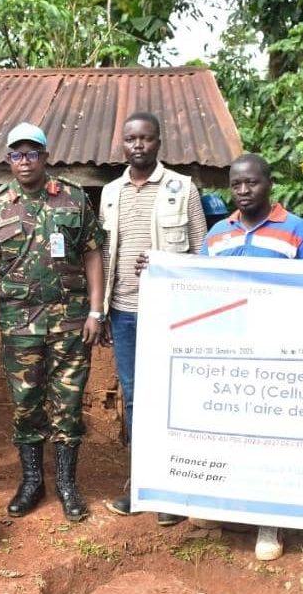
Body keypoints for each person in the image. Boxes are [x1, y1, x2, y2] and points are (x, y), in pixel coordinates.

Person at [0, 122, 105, 522]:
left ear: (46, 157)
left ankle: (67, 484)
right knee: (25, 405)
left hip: (71, 322)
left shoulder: (73, 198)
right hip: (20, 326)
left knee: (67, 406)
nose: (25, 161)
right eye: (17, 154)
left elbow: (93, 254)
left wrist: (97, 311)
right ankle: (33, 481)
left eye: (32, 153)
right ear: (8, 160)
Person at [200, 153, 303, 561]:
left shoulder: (297, 230)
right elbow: (197, 287)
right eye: (236, 184)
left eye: (252, 182)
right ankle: (222, 505)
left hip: (277, 354)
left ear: (270, 184)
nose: (244, 190)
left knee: (271, 437)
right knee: (227, 429)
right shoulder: (217, 234)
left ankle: (270, 520)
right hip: (227, 353)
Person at [99, 112, 207, 526]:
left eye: (146, 138)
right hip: (124, 312)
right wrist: (103, 310)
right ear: (122, 144)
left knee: (171, 398)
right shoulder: (111, 192)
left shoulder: (182, 188)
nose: (138, 145)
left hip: (171, 313)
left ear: (159, 142)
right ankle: (143, 484)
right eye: (131, 139)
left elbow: (201, 254)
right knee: (134, 398)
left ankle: (174, 490)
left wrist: (165, 264)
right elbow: (105, 253)